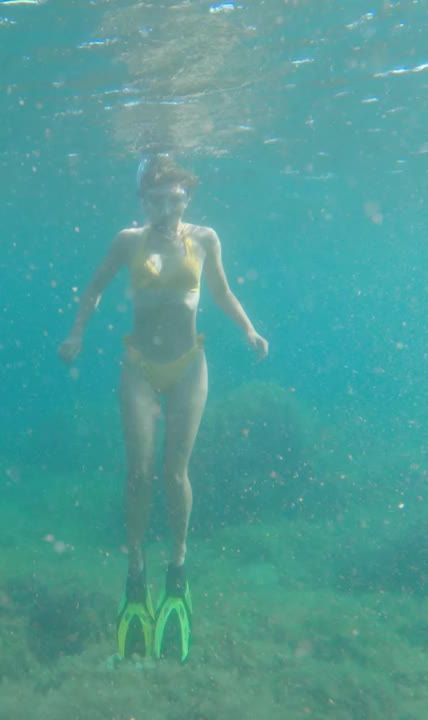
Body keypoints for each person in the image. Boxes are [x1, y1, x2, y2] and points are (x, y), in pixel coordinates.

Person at [58, 155, 268, 662]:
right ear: (142, 201)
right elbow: (95, 286)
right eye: (157, 200)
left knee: (175, 474)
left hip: (189, 364)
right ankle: (136, 573)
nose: (168, 209)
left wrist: (247, 329)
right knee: (139, 474)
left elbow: (219, 289)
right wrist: (77, 333)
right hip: (140, 367)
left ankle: (177, 567)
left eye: (176, 199)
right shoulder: (128, 241)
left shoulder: (206, 238)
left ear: (187, 198)